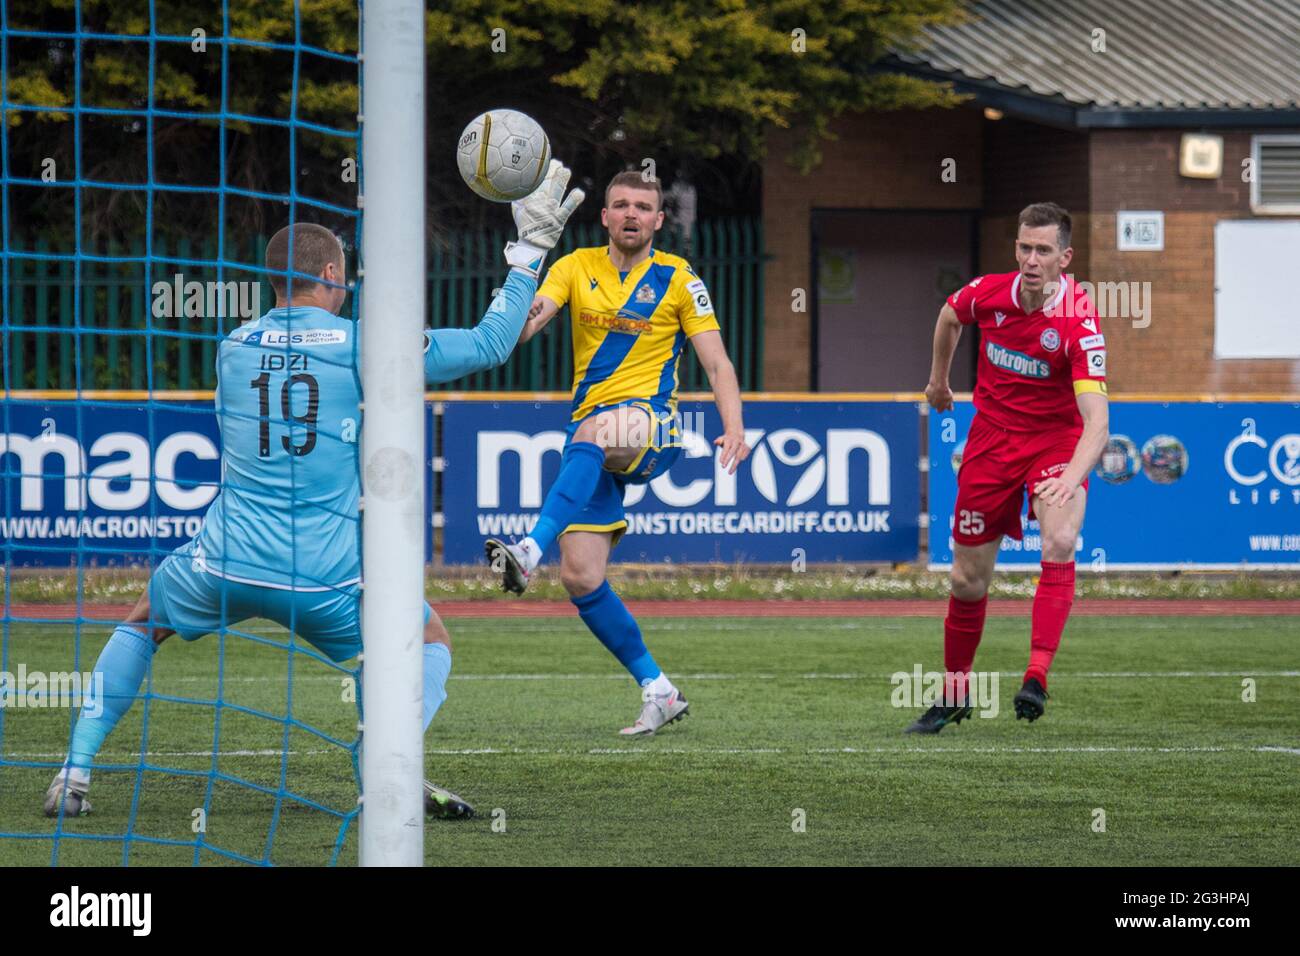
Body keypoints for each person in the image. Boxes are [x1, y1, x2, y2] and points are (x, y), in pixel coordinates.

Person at [44, 161, 585, 817]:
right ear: (332, 276)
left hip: (223, 561)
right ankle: (382, 775)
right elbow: (491, 344)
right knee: (429, 639)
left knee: (142, 621)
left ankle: (73, 774)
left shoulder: (234, 345)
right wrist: (528, 253)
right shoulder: (365, 346)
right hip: (324, 578)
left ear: (275, 280)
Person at [485, 171, 750, 737]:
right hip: (592, 437)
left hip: (655, 428)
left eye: (644, 207)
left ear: (659, 220)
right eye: (621, 205)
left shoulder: (679, 278)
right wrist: (515, 292)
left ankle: (529, 549)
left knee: (597, 431)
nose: (632, 214)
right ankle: (661, 691)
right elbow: (527, 328)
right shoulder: (573, 267)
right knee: (581, 577)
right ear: (604, 216)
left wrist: (734, 427)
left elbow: (718, 364)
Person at [907, 202, 1109, 734]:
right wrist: (938, 382)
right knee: (967, 580)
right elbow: (950, 315)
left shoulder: (1078, 324)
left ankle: (1036, 675)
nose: (1031, 259)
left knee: (1060, 540)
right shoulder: (990, 293)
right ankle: (954, 694)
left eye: (1044, 250)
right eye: (1024, 247)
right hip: (992, 441)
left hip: (1055, 443)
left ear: (1066, 258)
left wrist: (1068, 477)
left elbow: (1097, 425)